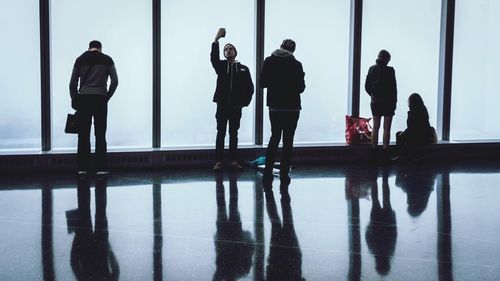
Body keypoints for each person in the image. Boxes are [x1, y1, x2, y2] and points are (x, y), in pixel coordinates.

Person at [260, 39, 305, 186]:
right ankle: (284, 171)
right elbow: (301, 88)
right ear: (293, 50)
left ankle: (268, 170)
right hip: (292, 107)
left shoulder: (269, 61)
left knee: (275, 137)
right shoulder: (297, 64)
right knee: (288, 140)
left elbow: (263, 83)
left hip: (275, 106)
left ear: (280, 46)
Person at [69, 40, 118, 175]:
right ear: (100, 48)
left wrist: (74, 98)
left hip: (84, 99)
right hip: (100, 99)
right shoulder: (107, 59)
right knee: (100, 133)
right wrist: (107, 96)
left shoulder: (80, 60)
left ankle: (82, 168)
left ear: (89, 48)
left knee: (83, 134)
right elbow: (115, 81)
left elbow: (72, 83)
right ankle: (101, 168)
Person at [211, 28, 254, 171]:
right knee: (221, 132)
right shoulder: (221, 67)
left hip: (236, 107)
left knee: (233, 134)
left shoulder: (243, 69)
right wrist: (216, 41)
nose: (228, 51)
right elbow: (213, 59)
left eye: (230, 49)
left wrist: (243, 103)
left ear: (235, 52)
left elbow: (250, 88)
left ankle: (234, 161)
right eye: (226, 49)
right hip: (222, 105)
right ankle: (219, 161)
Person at [365, 50, 397, 153]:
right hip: (388, 101)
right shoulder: (390, 71)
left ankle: (374, 150)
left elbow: (367, 86)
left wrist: (373, 95)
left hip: (376, 102)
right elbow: (393, 88)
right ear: (387, 60)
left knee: (375, 126)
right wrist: (394, 101)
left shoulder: (372, 69)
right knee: (387, 128)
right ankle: (385, 151)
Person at [395, 93, 437, 159]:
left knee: (399, 135)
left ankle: (401, 155)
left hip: (417, 136)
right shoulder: (423, 110)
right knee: (402, 134)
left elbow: (411, 127)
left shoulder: (413, 112)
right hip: (426, 135)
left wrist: (404, 133)